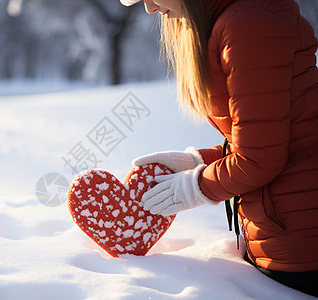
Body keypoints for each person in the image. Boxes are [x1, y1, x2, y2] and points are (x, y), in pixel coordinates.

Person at [120, 0, 318, 296]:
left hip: (300, 246)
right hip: (282, 234)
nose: (148, 8)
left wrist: (194, 187)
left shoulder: (249, 23)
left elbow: (260, 159)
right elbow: (276, 135)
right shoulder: (237, 18)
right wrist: (197, 160)